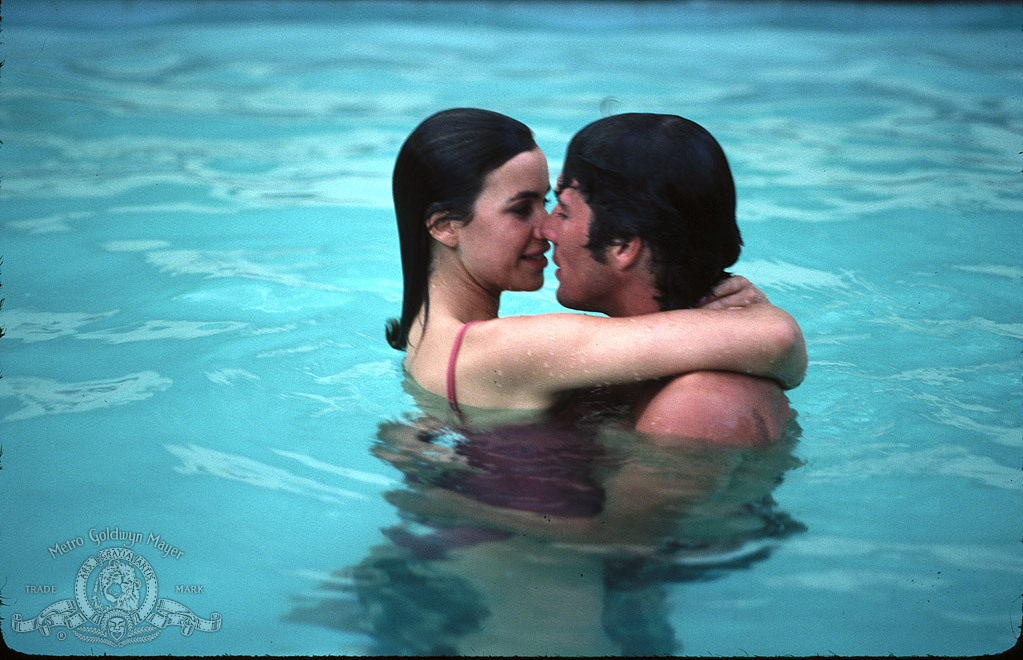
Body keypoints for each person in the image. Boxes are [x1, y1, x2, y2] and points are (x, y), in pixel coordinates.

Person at [386, 108, 806, 424]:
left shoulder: (428, 339)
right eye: (520, 209)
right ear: (444, 227)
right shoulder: (501, 350)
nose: (545, 228)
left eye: (549, 204)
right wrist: (746, 314)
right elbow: (781, 339)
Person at [543, 112, 794, 445]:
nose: (546, 230)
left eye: (563, 210)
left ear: (623, 246)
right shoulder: (637, 368)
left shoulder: (693, 408)